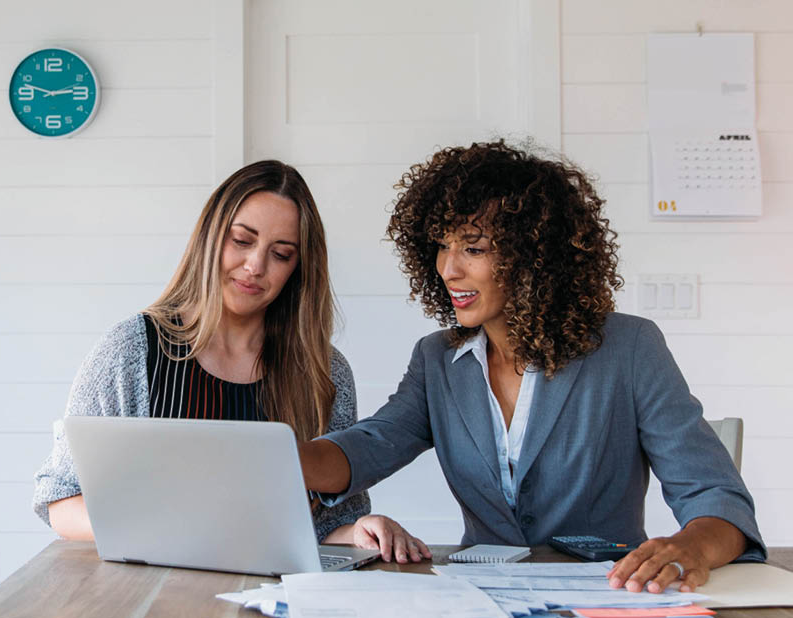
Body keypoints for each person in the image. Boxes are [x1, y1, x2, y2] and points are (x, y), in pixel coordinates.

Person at [298, 140, 766, 590]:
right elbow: (370, 446)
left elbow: (717, 498)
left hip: (605, 596)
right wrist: (280, 458)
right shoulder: (437, 359)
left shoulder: (629, 349)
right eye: (442, 245)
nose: (448, 269)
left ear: (537, 258)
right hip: (481, 596)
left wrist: (689, 547)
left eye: (474, 249)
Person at [33, 160, 428, 561]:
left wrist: (360, 530)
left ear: (299, 268)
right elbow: (61, 500)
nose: (255, 266)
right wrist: (168, 529)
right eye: (241, 240)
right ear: (210, 238)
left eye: (281, 253)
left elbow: (325, 526)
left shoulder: (323, 371)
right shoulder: (132, 350)